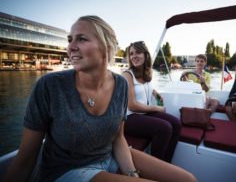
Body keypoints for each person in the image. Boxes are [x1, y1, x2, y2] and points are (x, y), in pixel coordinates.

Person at [4, 16, 197, 182]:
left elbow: (118, 138)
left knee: (188, 179)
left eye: (81, 39)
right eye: (70, 39)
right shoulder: (49, 86)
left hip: (108, 157)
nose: (70, 47)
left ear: (107, 47)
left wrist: (132, 175)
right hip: (66, 171)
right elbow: (26, 158)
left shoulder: (120, 85)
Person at [122, 41, 181, 163]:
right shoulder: (127, 75)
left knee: (176, 123)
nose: (134, 56)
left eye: (138, 52)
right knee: (164, 128)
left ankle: (166, 162)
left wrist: (154, 92)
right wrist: (156, 108)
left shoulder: (146, 73)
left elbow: (142, 87)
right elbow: (132, 105)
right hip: (129, 118)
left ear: (146, 55)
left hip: (143, 113)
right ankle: (156, 167)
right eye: (131, 53)